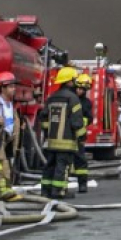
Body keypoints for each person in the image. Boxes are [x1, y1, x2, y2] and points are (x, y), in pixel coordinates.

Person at [40, 66, 84, 200]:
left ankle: (45, 190)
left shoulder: (51, 98)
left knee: (50, 165)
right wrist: (81, 136)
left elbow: (44, 118)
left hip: (52, 141)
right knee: (62, 166)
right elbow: (77, 122)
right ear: (69, 82)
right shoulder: (73, 98)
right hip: (66, 141)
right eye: (74, 79)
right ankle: (58, 191)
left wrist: (49, 132)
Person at [71, 72, 94, 193]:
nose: (80, 91)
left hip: (79, 136)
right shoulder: (70, 99)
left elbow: (89, 118)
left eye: (83, 89)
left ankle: (82, 184)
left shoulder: (86, 103)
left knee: (80, 160)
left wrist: (80, 122)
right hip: (67, 135)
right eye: (79, 88)